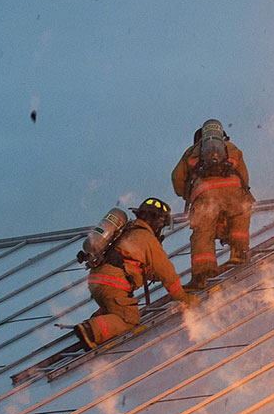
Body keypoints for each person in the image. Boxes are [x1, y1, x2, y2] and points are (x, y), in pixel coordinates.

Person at [73, 198, 196, 350]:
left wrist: (154, 275)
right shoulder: (147, 239)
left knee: (115, 308)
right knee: (129, 319)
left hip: (97, 280)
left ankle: (99, 321)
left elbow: (133, 265)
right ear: (157, 222)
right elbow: (167, 273)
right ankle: (91, 330)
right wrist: (184, 298)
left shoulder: (127, 232)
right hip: (114, 283)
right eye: (162, 226)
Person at [171, 118, 252, 291]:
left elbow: (177, 178)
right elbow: (244, 176)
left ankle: (202, 275)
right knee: (240, 215)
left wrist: (188, 194)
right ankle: (239, 253)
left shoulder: (191, 151)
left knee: (203, 232)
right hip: (233, 189)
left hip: (205, 192)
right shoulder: (232, 148)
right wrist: (241, 193)